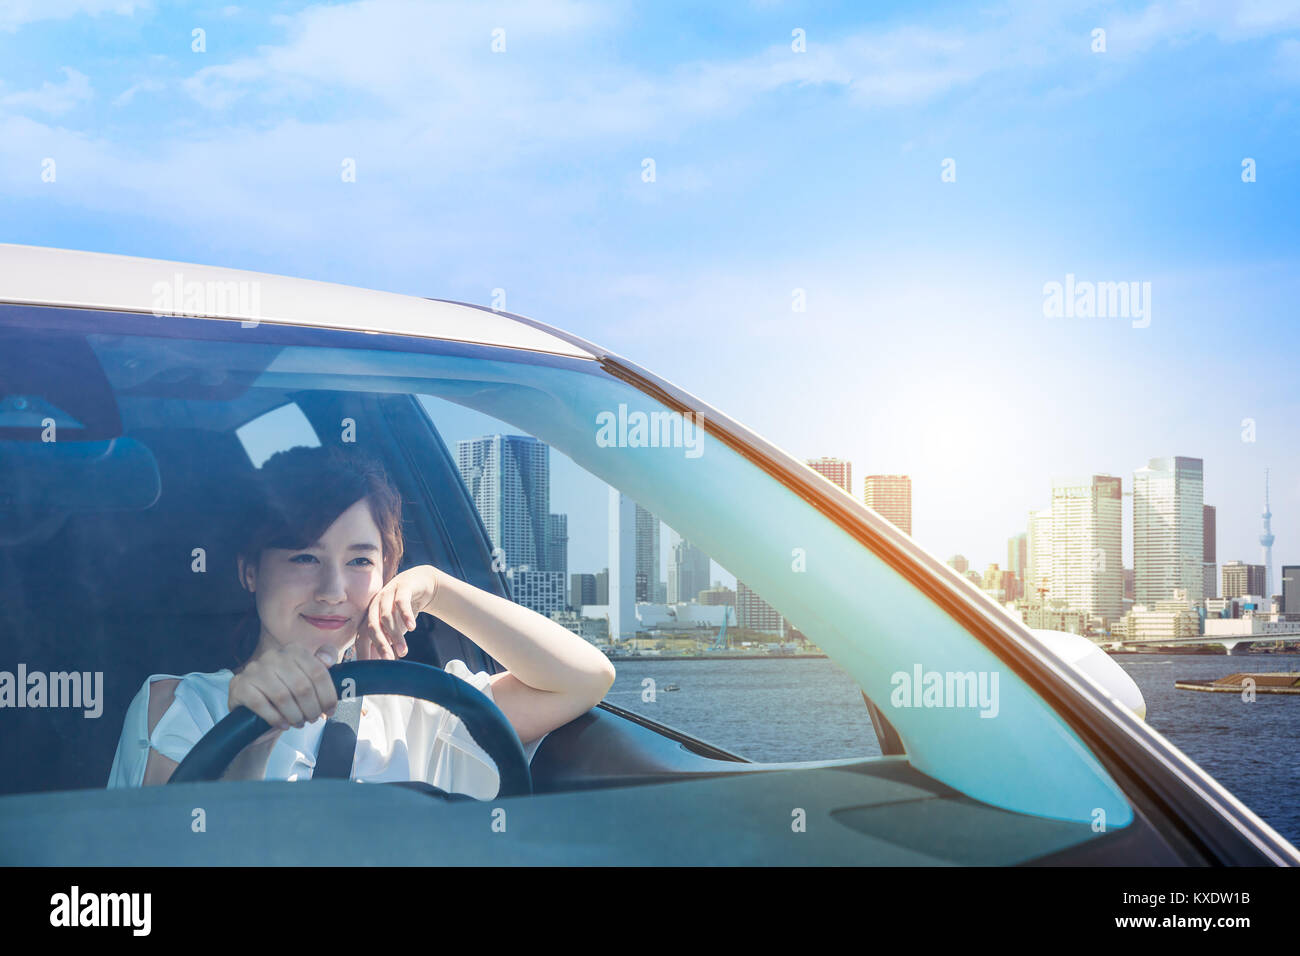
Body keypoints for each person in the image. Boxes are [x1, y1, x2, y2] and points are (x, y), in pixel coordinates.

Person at [107, 444, 615, 798]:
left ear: (386, 574)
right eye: (304, 557)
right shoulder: (179, 707)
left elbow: (585, 678)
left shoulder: (429, 707)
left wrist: (437, 587)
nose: (332, 591)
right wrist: (252, 742)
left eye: (359, 562)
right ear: (250, 571)